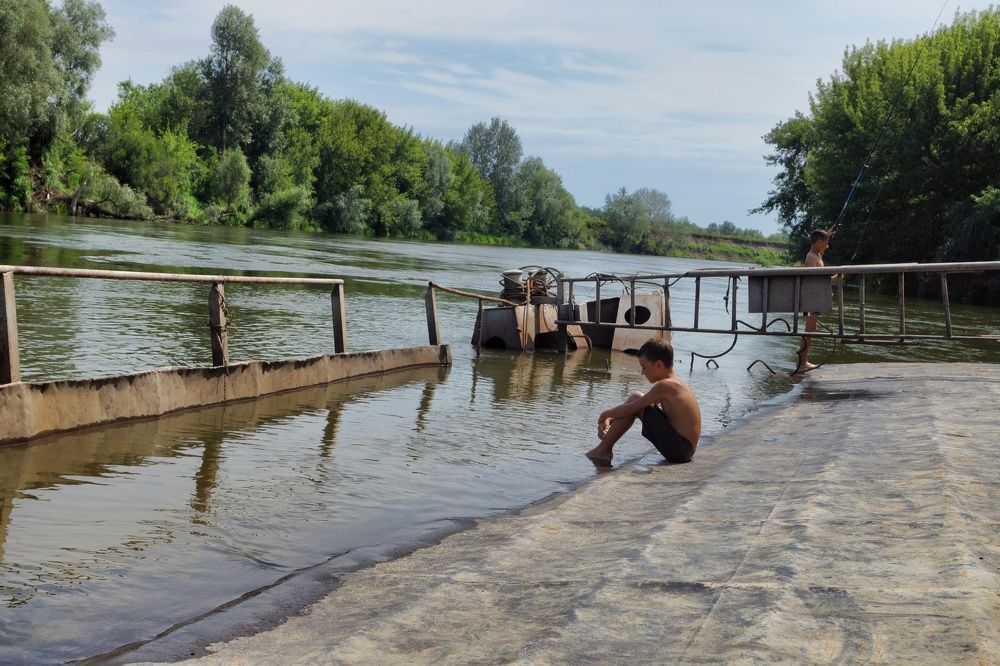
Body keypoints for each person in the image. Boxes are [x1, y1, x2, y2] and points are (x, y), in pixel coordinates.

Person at [585, 338, 701, 466]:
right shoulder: (674, 384)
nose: (642, 373)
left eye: (644, 368)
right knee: (637, 399)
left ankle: (602, 450)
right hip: (684, 450)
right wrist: (609, 420)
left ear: (659, 365)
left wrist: (604, 414)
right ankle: (603, 449)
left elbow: (631, 408)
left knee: (636, 397)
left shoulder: (665, 386)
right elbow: (635, 408)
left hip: (680, 450)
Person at [795, 227, 839, 373]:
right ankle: (802, 364)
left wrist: (829, 233)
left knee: (811, 330)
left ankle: (803, 362)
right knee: (809, 331)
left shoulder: (815, 253)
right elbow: (815, 279)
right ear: (819, 243)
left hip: (815, 298)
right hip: (812, 298)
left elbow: (819, 241)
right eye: (826, 243)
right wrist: (833, 278)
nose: (828, 246)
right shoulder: (812, 258)